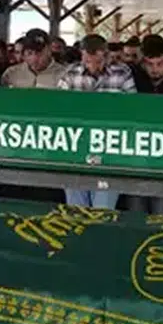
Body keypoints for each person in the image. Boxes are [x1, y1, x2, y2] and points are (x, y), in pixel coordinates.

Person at [56, 34, 135, 209]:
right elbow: (59, 110)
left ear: (106, 55)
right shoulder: (70, 74)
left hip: (110, 150)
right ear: (82, 56)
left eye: (97, 62)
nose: (92, 66)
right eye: (87, 61)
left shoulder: (122, 73)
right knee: (76, 209)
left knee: (103, 208)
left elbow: (132, 110)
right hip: (76, 148)